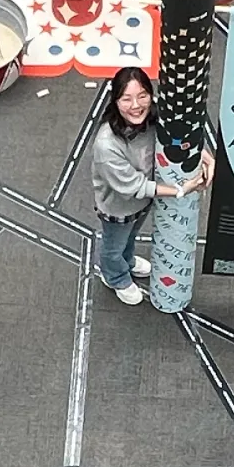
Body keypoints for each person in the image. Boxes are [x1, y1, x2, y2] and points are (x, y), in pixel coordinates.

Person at [89, 67, 211, 305]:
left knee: (130, 237)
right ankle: (115, 276)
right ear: (115, 102)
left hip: (143, 201)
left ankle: (128, 260)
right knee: (113, 246)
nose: (136, 105)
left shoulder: (154, 117)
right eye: (126, 98)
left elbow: (178, 137)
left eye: (142, 95)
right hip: (118, 207)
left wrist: (206, 158)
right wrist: (180, 190)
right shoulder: (107, 145)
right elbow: (134, 186)